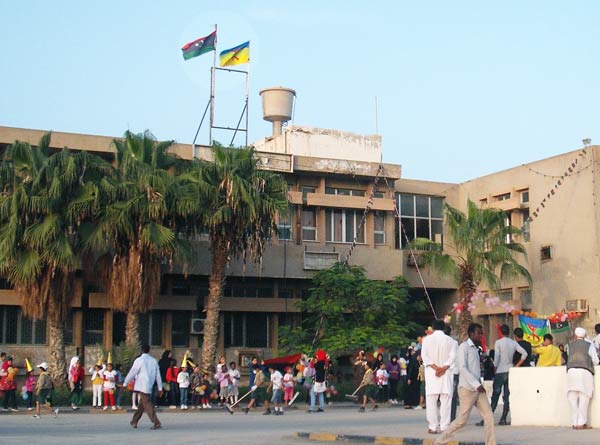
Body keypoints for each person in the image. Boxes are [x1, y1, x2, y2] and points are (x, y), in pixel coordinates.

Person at [435, 323, 496, 445]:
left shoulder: (476, 349)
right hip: (467, 389)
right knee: (462, 420)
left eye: (481, 333)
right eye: (479, 333)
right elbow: (462, 368)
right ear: (471, 334)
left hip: (478, 389)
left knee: (489, 417)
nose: (481, 335)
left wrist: (479, 384)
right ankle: (439, 441)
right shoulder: (463, 347)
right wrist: (476, 384)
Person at [421, 319, 457, 434]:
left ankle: (433, 427)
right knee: (446, 402)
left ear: (433, 327)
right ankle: (444, 427)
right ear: (444, 327)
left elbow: (425, 357)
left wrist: (436, 368)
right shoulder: (451, 341)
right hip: (446, 375)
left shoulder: (426, 340)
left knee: (431, 402)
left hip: (432, 375)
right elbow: (452, 357)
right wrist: (443, 368)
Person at [487, 324, 526, 426]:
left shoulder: (498, 342)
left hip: (500, 370)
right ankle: (503, 418)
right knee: (507, 396)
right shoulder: (513, 343)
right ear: (509, 332)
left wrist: (495, 368)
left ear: (500, 332)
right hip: (510, 370)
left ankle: (488, 418)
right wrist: (516, 366)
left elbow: (497, 357)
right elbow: (524, 354)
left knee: (495, 395)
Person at [566, 327, 599, 430]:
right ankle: (581, 423)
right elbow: (595, 360)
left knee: (572, 398)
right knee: (584, 398)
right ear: (584, 336)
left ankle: (574, 422)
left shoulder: (569, 345)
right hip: (584, 372)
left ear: (575, 335)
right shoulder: (589, 345)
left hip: (571, 372)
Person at [123, 344, 163, 430]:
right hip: (149, 384)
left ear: (141, 350)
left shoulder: (139, 360)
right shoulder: (154, 361)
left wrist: (125, 383)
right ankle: (154, 422)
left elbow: (133, 372)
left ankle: (136, 420)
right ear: (149, 350)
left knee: (144, 403)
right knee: (146, 402)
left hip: (141, 384)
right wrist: (160, 388)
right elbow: (158, 375)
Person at [444, 324, 460, 422]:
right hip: (453, 371)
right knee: (452, 396)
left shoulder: (438, 342)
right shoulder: (454, 343)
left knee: (443, 396)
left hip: (443, 371)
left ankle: (445, 417)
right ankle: (451, 417)